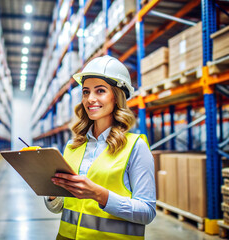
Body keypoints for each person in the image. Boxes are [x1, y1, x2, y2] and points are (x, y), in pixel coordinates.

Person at [44, 56, 156, 240]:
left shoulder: (135, 147)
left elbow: (147, 212)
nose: (90, 99)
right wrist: (50, 192)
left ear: (117, 96)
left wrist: (100, 195)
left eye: (100, 91)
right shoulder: (72, 146)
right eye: (86, 92)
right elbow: (59, 208)